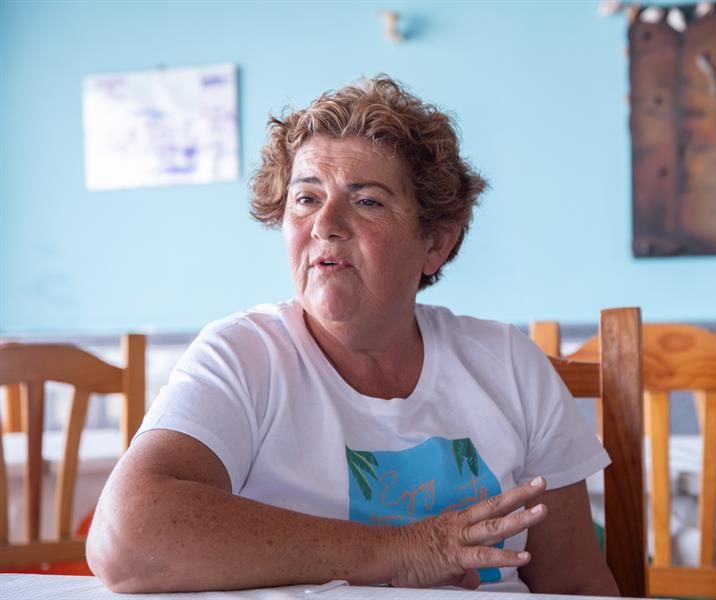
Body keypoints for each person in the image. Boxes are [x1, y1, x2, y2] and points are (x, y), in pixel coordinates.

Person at [87, 75, 619, 596]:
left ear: (435, 242)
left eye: (367, 201)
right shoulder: (243, 356)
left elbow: (575, 583)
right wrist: (397, 550)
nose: (325, 224)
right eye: (306, 198)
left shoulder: (509, 363)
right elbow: (126, 538)